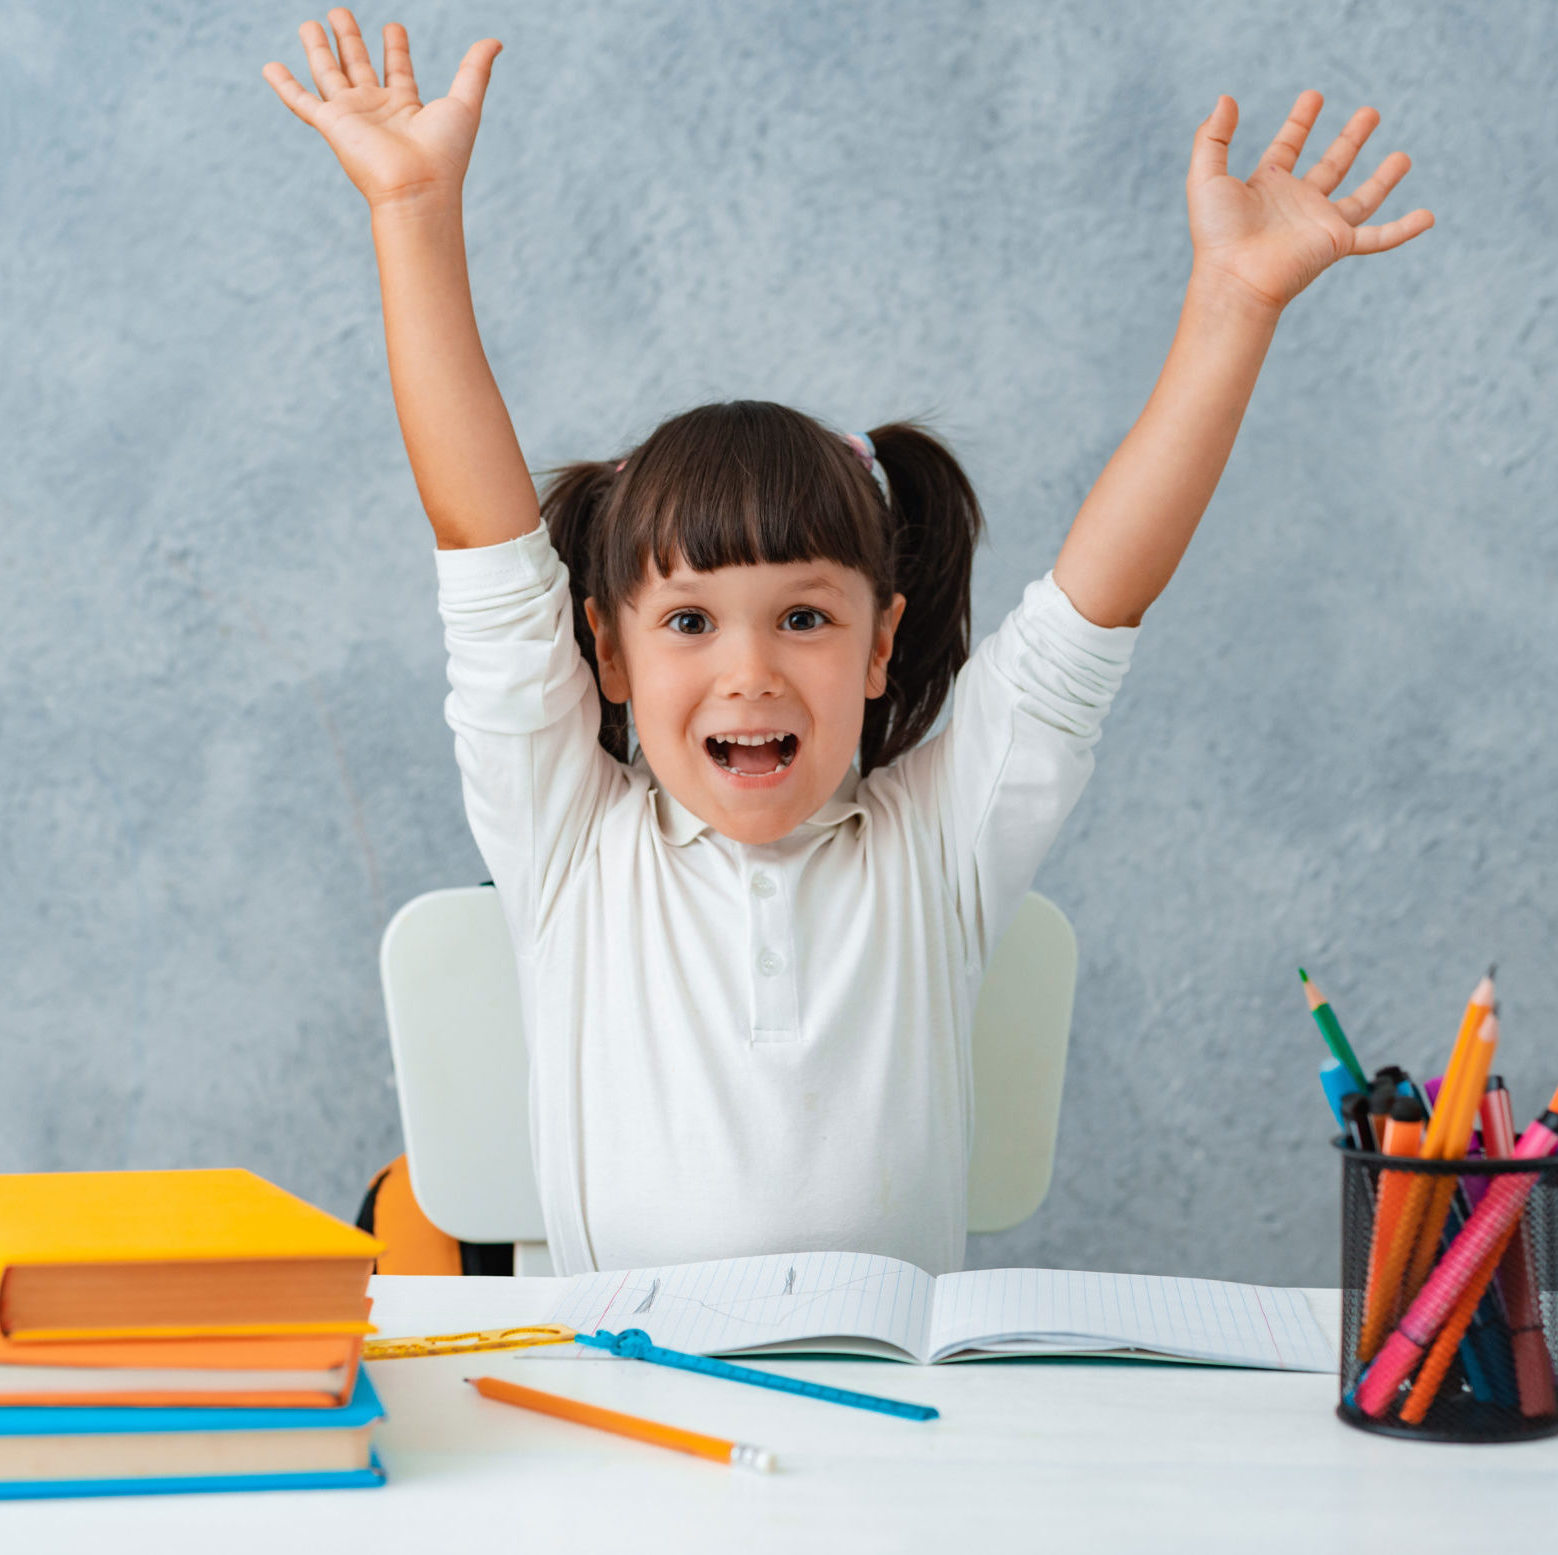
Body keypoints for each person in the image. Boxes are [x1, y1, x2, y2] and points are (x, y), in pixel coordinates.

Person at [263, 12, 1433, 1276]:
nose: (750, 670)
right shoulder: (569, 845)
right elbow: (483, 552)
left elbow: (1094, 606)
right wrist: (413, 216)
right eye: (690, 622)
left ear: (882, 648)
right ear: (605, 655)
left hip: (895, 1446)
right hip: (623, 1419)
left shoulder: (939, 843)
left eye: (805, 617)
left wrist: (1233, 302)